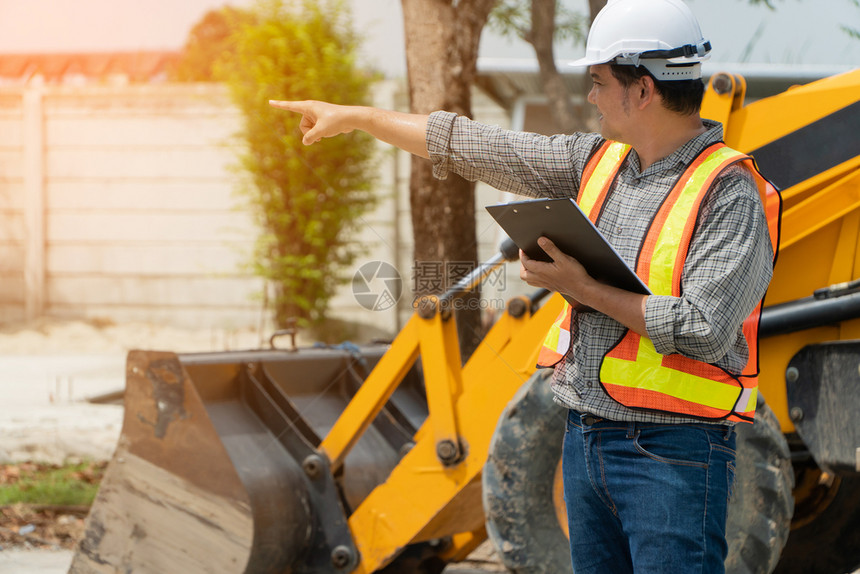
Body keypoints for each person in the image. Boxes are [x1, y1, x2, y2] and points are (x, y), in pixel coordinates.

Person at [270, 0, 781, 571]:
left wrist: (584, 288)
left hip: (674, 457)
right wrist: (360, 117)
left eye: (597, 81)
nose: (590, 96)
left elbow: (706, 330)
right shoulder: (596, 163)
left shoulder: (729, 193)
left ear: (642, 90)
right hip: (587, 437)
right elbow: (469, 144)